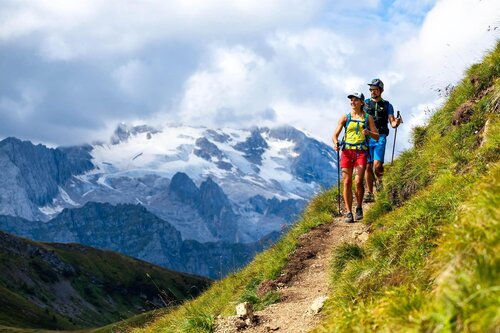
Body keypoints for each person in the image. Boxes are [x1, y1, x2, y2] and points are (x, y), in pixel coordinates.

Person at [333, 92, 379, 223]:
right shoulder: (345, 117)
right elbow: (335, 135)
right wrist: (336, 143)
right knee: (347, 182)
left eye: (355, 100)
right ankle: (348, 212)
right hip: (347, 152)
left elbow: (376, 136)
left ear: (362, 103)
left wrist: (368, 132)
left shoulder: (367, 118)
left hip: (361, 152)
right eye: (351, 100)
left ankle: (359, 207)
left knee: (358, 182)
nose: (352, 102)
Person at [363, 79, 401, 203]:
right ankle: (369, 192)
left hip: (380, 137)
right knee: (368, 166)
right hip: (366, 137)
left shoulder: (387, 105)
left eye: (375, 89)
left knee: (377, 165)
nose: (372, 92)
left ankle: (380, 181)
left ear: (381, 90)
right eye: (371, 89)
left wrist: (396, 123)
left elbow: (392, 121)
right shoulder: (365, 103)